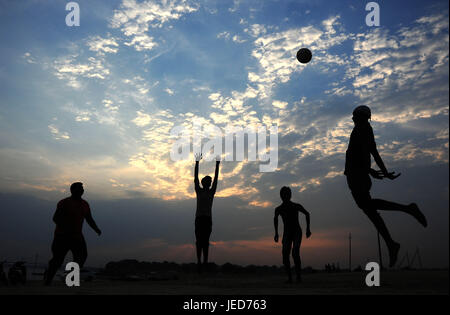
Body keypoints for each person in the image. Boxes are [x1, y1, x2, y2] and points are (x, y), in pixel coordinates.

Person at [344, 105, 427, 268]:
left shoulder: (362, 130)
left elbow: (365, 154)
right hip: (358, 174)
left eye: (355, 116)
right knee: (371, 211)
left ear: (362, 117)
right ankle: (391, 243)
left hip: (357, 175)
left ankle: (408, 210)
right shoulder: (364, 130)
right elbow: (370, 152)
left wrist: (377, 171)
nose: (353, 119)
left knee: (367, 206)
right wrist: (380, 171)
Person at [44, 182, 101, 285]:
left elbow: (89, 219)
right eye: (79, 188)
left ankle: (71, 279)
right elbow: (55, 218)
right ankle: (48, 280)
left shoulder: (85, 204)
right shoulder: (64, 202)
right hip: (62, 236)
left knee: (81, 257)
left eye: (82, 189)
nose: (81, 190)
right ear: (72, 190)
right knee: (58, 259)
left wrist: (96, 228)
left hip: (77, 236)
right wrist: (66, 228)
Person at [274, 186, 311, 283]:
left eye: (287, 194)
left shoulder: (295, 206)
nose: (286, 196)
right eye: (284, 194)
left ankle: (298, 277)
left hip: (296, 232)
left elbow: (307, 214)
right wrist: (276, 233)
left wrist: (308, 229)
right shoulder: (279, 209)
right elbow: (275, 219)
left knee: (295, 252)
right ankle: (290, 278)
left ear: (290, 195)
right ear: (281, 196)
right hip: (287, 233)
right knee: (285, 254)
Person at [194, 153, 220, 272]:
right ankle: (199, 262)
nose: (209, 183)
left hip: (207, 219)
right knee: (199, 241)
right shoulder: (199, 191)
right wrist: (197, 163)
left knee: (205, 242)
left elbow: (216, 179)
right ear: (203, 182)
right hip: (200, 218)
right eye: (207, 181)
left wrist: (217, 165)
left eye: (209, 182)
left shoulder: (211, 192)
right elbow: (195, 178)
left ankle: (204, 262)